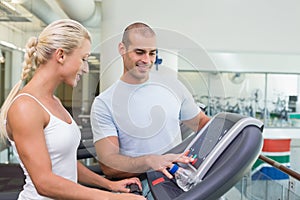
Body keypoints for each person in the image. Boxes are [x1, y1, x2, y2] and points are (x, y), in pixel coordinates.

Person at [0, 19, 145, 200]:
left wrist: (108, 184)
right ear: (61, 55)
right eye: (83, 59)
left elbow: (65, 162)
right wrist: (111, 198)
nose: (85, 68)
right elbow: (44, 182)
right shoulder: (26, 107)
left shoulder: (54, 102)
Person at [90, 22, 210, 199]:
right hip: (141, 187)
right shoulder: (104, 103)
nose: (147, 60)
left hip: (178, 181)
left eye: (152, 53)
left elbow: (203, 124)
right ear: (122, 49)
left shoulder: (173, 87)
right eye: (139, 52)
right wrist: (150, 161)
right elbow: (109, 165)